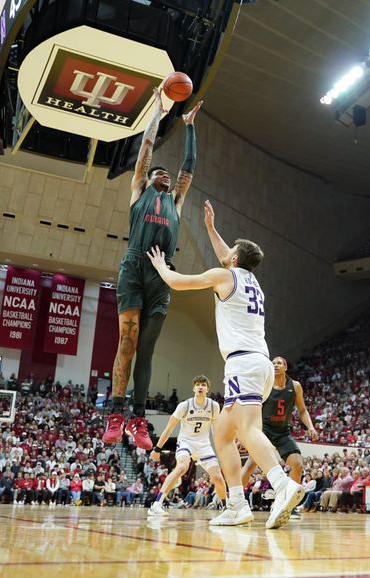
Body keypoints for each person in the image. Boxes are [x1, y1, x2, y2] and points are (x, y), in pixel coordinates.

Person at [146, 200, 304, 529]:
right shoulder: (251, 282)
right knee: (222, 434)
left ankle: (282, 484)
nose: (224, 253)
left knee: (247, 430)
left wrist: (161, 267)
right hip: (257, 362)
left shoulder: (224, 275)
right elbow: (228, 257)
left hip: (243, 364)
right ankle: (236, 504)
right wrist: (210, 228)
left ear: (233, 259)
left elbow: (178, 283)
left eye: (228, 251)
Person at [102, 88, 204, 451]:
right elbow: (145, 151)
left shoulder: (175, 200)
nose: (163, 175)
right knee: (126, 340)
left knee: (147, 350)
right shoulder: (140, 188)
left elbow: (188, 169)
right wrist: (158, 113)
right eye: (158, 172)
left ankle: (139, 419)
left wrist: (189, 127)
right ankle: (115, 413)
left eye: (166, 173)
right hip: (134, 264)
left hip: (163, 272)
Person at [240, 356, 318, 519]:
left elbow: (302, 410)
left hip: (283, 432)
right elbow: (252, 409)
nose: (275, 365)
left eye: (279, 363)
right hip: (264, 430)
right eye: (273, 363)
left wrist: (310, 426)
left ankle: (290, 506)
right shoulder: (264, 385)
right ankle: (235, 501)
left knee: (297, 464)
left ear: (286, 367)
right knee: (250, 465)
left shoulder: (295, 386)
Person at [148, 375, 226, 516]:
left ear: (208, 389)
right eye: (197, 384)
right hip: (186, 442)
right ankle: (157, 504)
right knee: (182, 467)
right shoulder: (184, 405)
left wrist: (222, 450)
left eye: (203, 384)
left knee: (218, 477)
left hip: (204, 446)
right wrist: (157, 449)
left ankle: (226, 508)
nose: (200, 387)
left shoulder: (214, 406)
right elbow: (169, 428)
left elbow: (216, 430)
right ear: (194, 388)